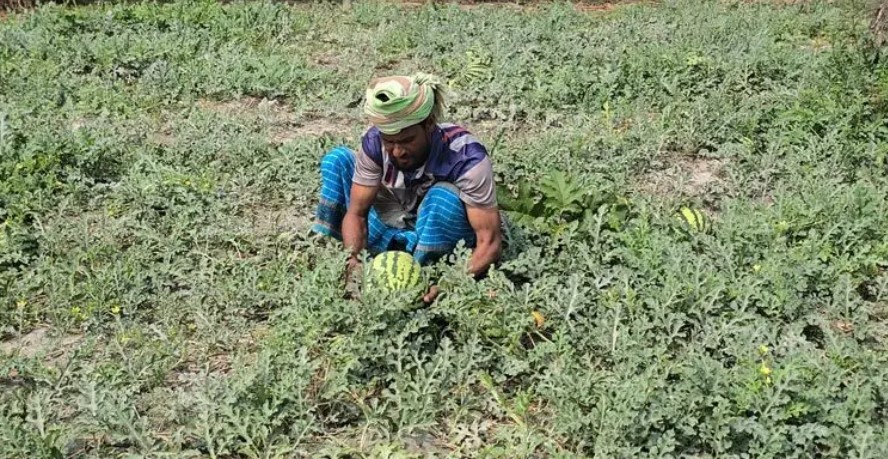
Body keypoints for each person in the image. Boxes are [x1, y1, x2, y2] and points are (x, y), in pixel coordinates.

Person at [312, 72, 503, 302]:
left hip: (442, 226)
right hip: (399, 213)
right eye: (390, 142)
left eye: (407, 141)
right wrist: (353, 259)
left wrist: (450, 283)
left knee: (442, 197)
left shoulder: (466, 157)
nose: (397, 151)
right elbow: (357, 213)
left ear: (429, 125)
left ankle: (423, 275)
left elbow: (490, 242)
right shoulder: (374, 143)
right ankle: (366, 254)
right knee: (338, 161)